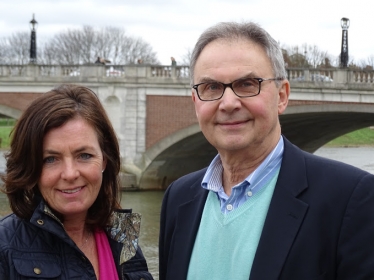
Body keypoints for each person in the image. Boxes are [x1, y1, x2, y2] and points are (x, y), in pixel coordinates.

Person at [159, 22, 374, 280]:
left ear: (282, 96)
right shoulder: (178, 198)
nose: (228, 103)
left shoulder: (352, 198)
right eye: (212, 88)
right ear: (196, 102)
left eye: (248, 84)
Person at [0, 84, 153, 279]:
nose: (70, 174)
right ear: (30, 168)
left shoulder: (123, 237)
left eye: (85, 155)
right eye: (50, 159)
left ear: (105, 160)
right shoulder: (5, 246)